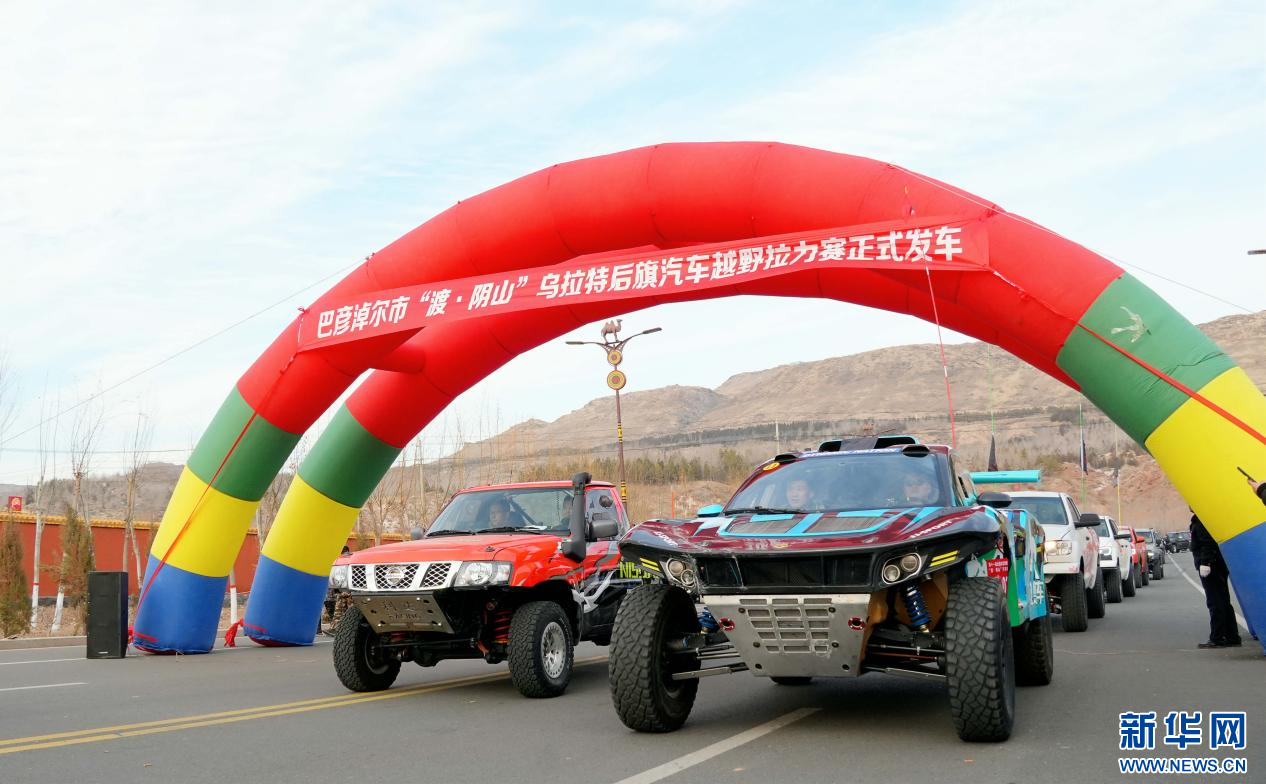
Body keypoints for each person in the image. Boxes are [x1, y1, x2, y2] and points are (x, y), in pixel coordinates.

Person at [1190, 513, 1242, 648]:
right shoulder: (1207, 517)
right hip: (1219, 564)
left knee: (1215, 602)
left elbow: (1207, 542)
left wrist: (1205, 562)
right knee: (1223, 600)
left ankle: (1217, 637)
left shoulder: (1202, 520)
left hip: (1211, 566)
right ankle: (1232, 636)